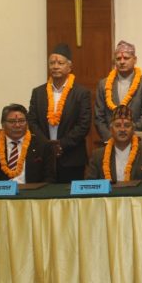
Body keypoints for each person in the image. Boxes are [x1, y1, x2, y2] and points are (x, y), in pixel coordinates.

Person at [28, 43, 92, 182]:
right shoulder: (38, 93)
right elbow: (32, 121)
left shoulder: (81, 93)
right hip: (43, 157)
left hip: (71, 157)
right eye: (52, 63)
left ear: (70, 67)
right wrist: (47, 145)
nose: (55, 66)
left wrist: (61, 145)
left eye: (60, 63)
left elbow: (83, 125)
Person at [94, 40, 142, 142]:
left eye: (126, 58)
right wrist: (111, 138)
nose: (122, 62)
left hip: (137, 140)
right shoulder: (103, 84)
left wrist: (125, 136)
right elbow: (99, 118)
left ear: (135, 60)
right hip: (110, 141)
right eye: (118, 58)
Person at [0, 103, 56, 183]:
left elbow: (49, 179)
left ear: (27, 123)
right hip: (0, 190)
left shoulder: (42, 146)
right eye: (12, 121)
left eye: (21, 121)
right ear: (3, 124)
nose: (17, 125)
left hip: (31, 190)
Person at [85, 105, 142, 181]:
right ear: (111, 130)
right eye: (117, 125)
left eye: (127, 125)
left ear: (133, 129)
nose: (122, 129)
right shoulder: (98, 156)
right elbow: (89, 185)